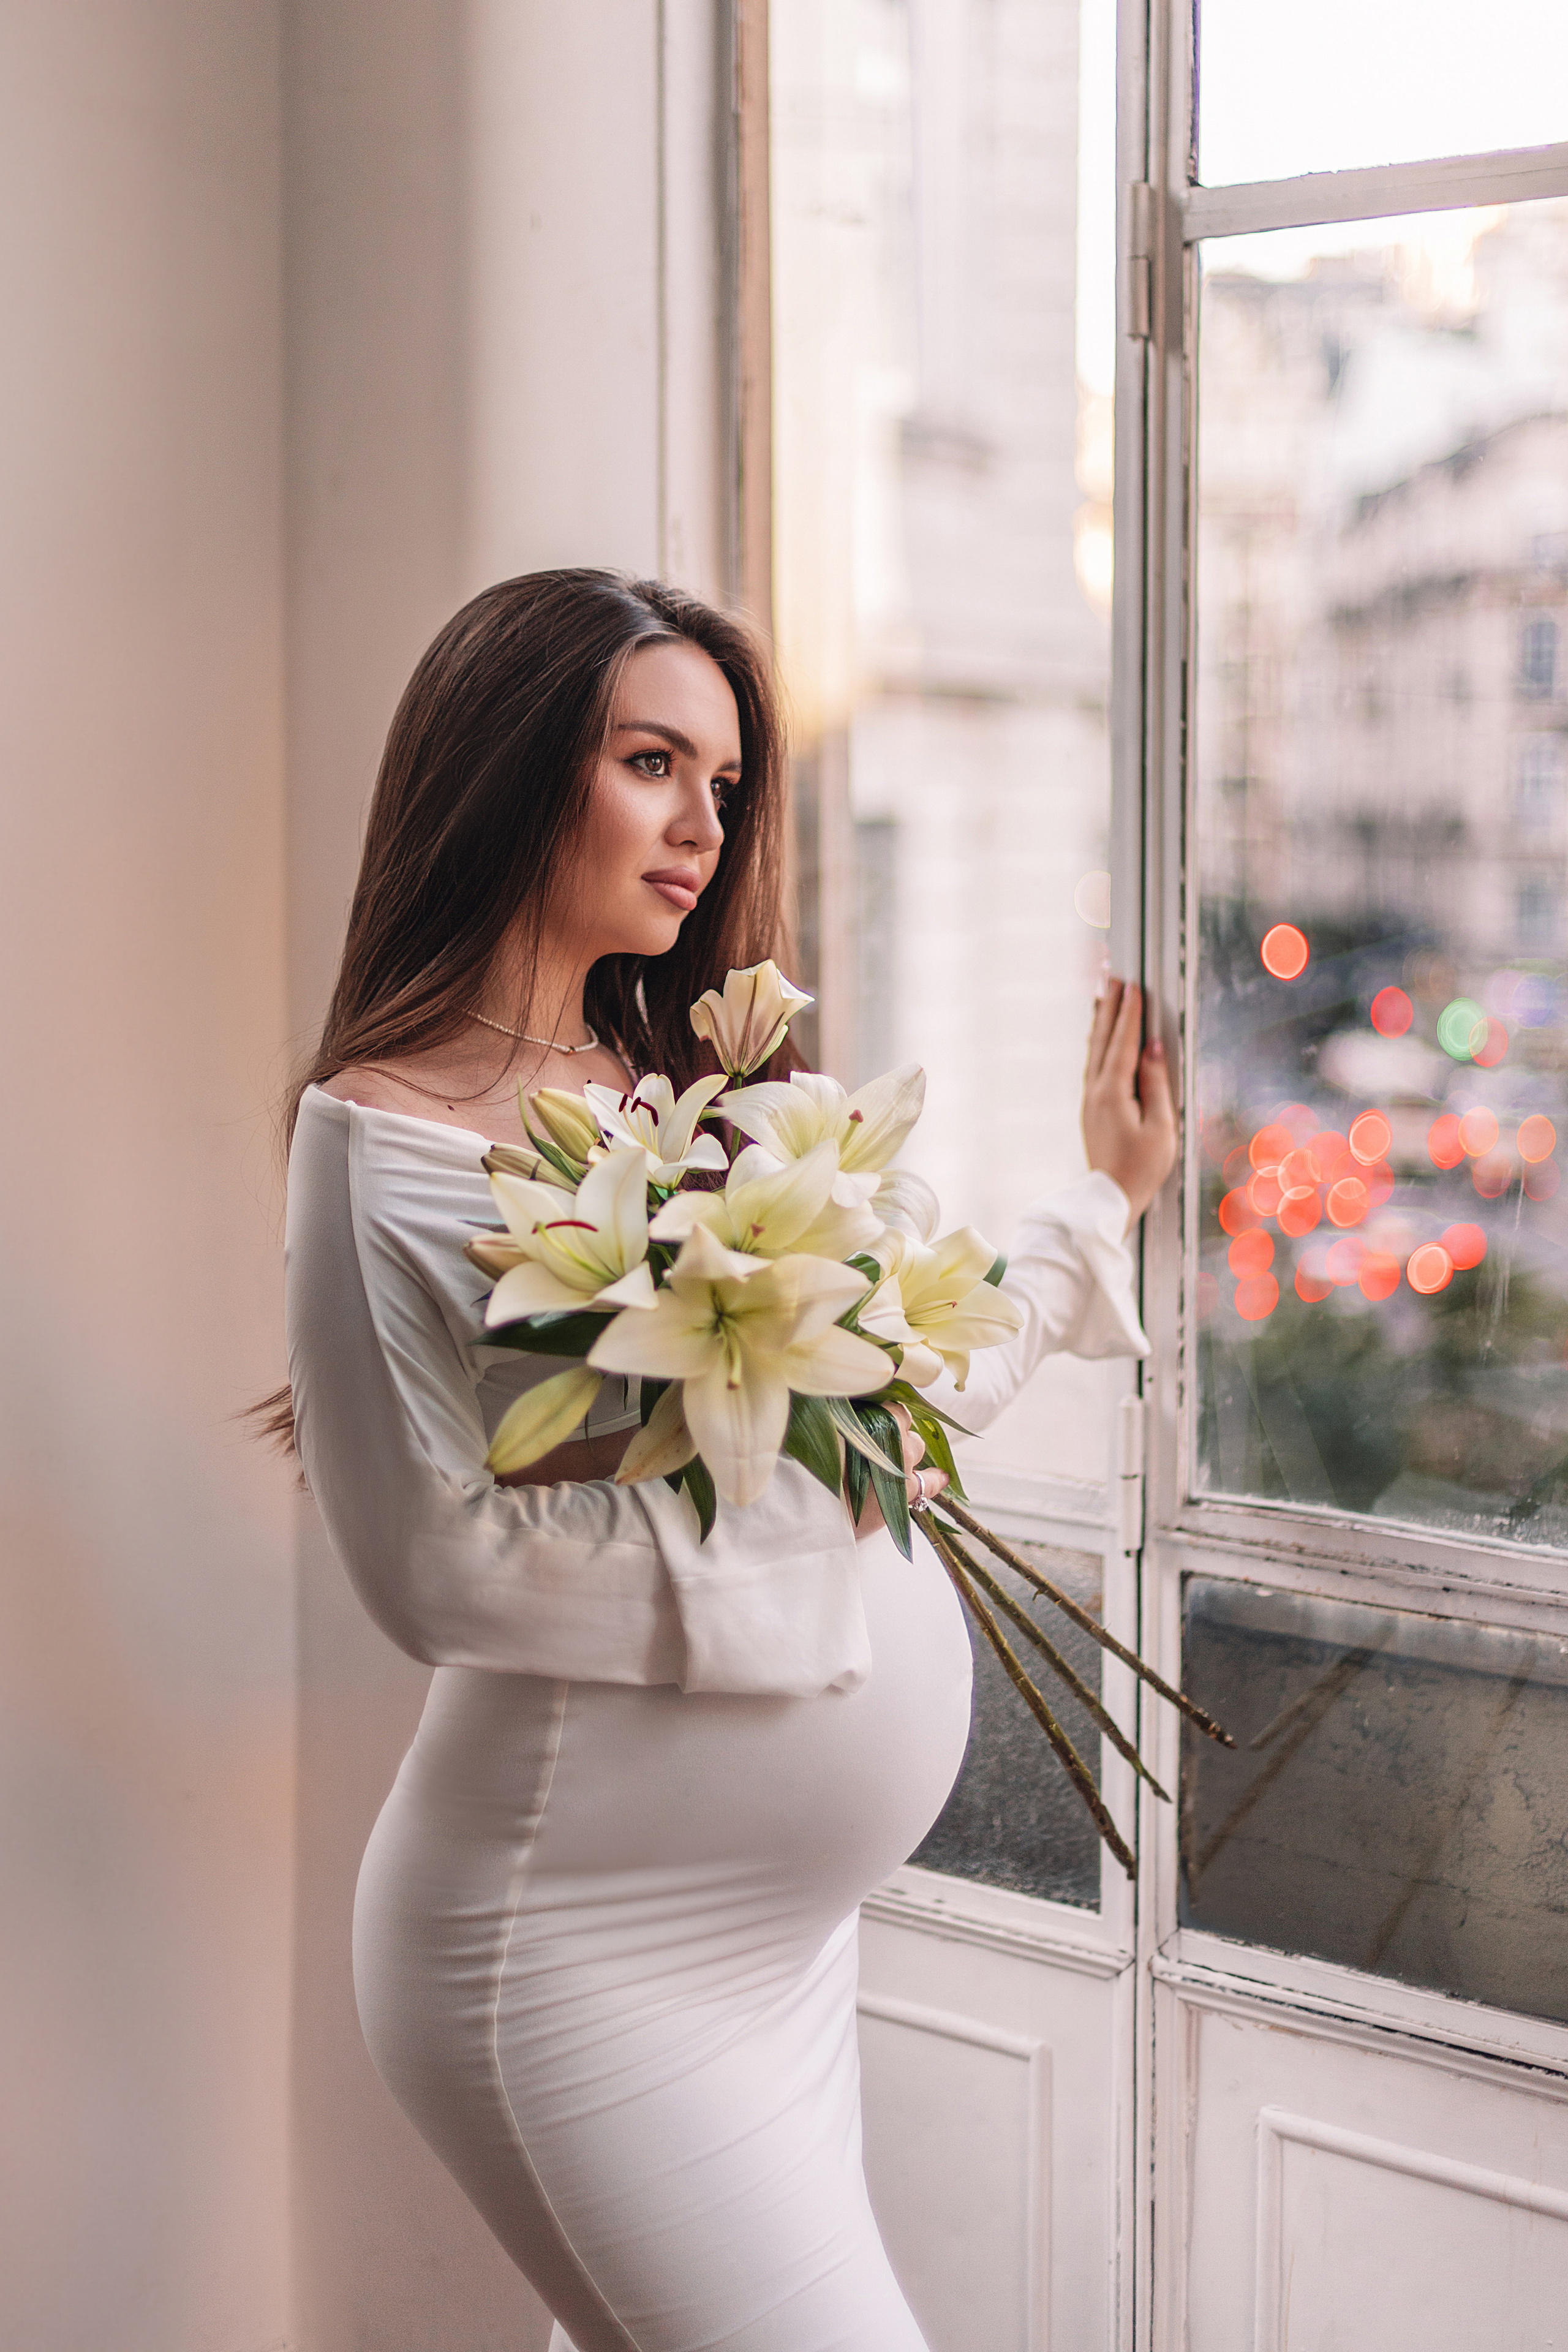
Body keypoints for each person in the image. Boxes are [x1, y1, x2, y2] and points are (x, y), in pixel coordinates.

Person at [276, 569, 1175, 2352]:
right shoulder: (384, 1139)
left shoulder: (675, 1098)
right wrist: (836, 1554)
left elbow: (877, 1399)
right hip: (571, 1940)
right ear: (513, 770)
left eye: (726, 782)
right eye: (649, 763)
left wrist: (1095, 1207)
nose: (703, 824)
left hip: (762, 1943)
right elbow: (434, 1571)